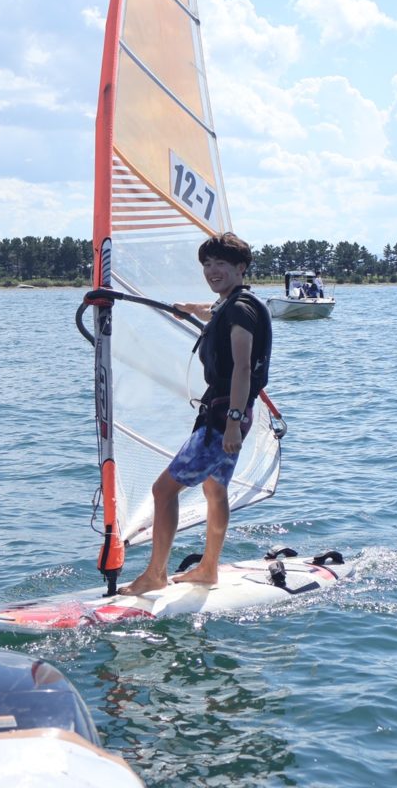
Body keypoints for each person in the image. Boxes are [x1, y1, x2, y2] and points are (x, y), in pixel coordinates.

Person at [119, 232, 272, 593]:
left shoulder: (238, 309)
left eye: (221, 263)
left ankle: (155, 574)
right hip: (232, 413)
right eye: (207, 264)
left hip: (224, 417)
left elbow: (242, 367)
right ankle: (208, 569)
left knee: (163, 491)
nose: (212, 270)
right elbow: (214, 311)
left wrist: (232, 423)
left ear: (241, 267)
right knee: (215, 491)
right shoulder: (235, 302)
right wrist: (189, 307)